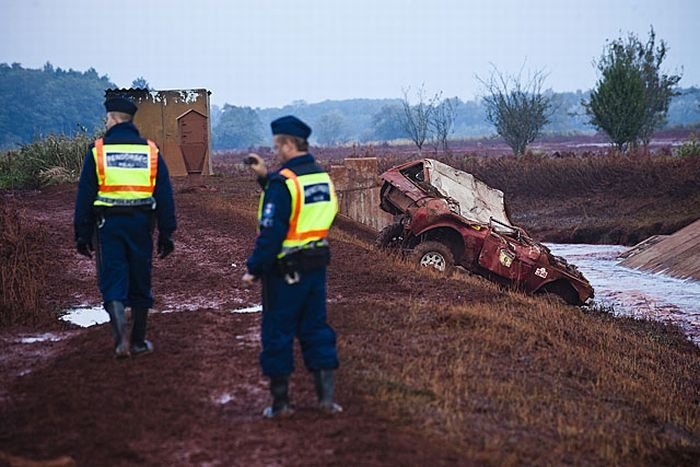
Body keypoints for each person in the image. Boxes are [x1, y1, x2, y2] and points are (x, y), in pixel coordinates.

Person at [242, 115, 342, 418]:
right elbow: (317, 213)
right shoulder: (321, 177)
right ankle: (326, 401)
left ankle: (281, 404)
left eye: (277, 146)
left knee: (277, 332)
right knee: (316, 329)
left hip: (284, 272)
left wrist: (254, 268)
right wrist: (265, 178)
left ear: (288, 144)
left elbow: (272, 232)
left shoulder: (283, 183)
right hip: (316, 267)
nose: (276, 152)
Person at [74, 96, 176, 358]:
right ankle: (139, 341)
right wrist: (166, 232)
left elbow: (85, 195)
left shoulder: (98, 151)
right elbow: (164, 194)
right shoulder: (150, 151)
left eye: (107, 118)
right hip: (142, 225)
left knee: (113, 277)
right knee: (140, 279)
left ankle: (121, 339)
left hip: (108, 226)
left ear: (113, 119)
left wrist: (82, 234)